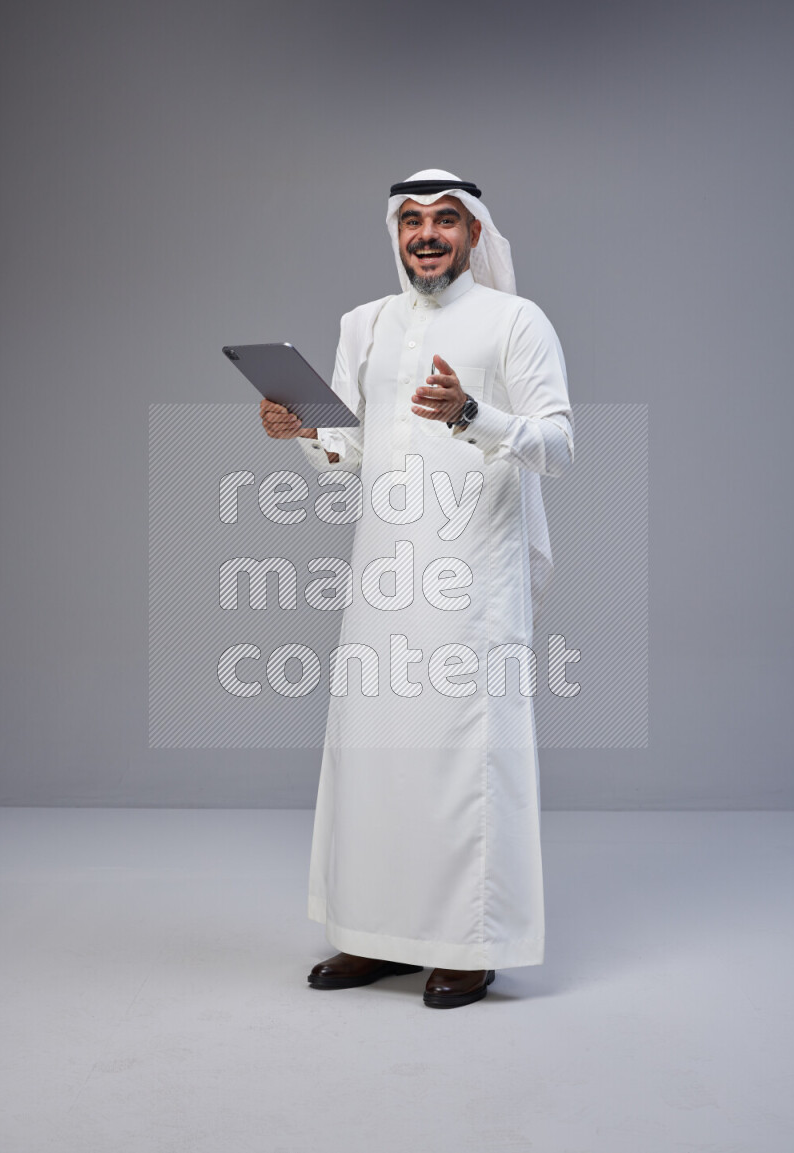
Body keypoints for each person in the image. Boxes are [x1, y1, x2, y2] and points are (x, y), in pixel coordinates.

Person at [259, 169, 574, 1009]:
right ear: (395, 234)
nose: (426, 234)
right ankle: (373, 935)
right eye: (411, 221)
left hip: (475, 571)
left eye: (444, 220)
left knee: (461, 754)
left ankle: (467, 945)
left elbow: (559, 442)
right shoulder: (363, 324)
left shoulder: (516, 320)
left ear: (473, 233)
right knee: (374, 751)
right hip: (382, 572)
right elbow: (351, 453)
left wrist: (475, 413)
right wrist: (304, 429)